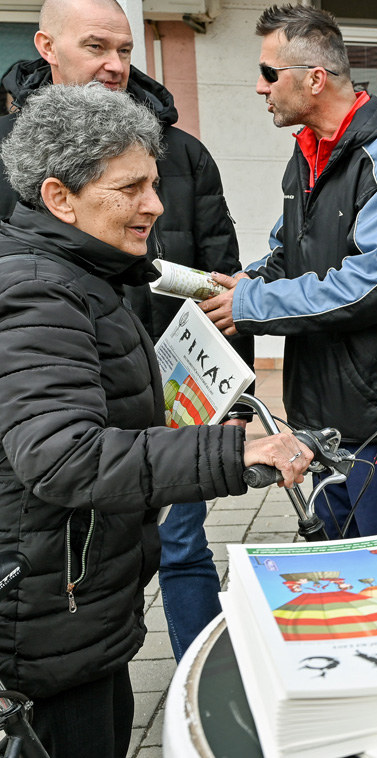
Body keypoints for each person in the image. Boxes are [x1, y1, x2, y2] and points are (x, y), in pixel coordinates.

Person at [0, 83, 311, 758]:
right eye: (131, 188)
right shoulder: (39, 290)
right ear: (60, 197)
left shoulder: (86, 274)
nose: (155, 205)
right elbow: (62, 456)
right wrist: (233, 455)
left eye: (154, 183)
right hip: (48, 617)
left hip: (76, 603)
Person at [0, 0, 252, 663]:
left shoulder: (184, 153)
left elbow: (217, 267)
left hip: (169, 396)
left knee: (177, 545)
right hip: (54, 415)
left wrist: (226, 366)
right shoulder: (8, 157)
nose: (115, 65)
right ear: (48, 46)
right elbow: (58, 450)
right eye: (96, 48)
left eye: (126, 50)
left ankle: (190, 678)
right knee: (74, 562)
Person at [199, 5, 377, 539]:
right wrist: (242, 286)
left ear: (314, 78)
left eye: (270, 72)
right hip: (324, 416)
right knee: (340, 572)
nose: (258, 86)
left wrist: (254, 305)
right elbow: (286, 250)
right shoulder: (309, 154)